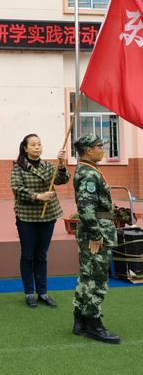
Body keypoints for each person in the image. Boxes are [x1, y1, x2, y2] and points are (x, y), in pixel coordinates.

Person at [11, 133, 70, 308]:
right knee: (28, 255)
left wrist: (61, 164)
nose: (37, 147)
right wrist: (38, 196)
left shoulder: (47, 165)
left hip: (48, 215)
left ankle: (42, 292)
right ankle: (29, 292)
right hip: (27, 216)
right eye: (34, 144)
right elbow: (17, 189)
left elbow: (62, 180)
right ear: (25, 148)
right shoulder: (18, 168)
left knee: (41, 255)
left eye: (39, 144)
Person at [72, 134, 120, 344]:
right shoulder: (89, 175)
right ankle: (93, 323)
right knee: (97, 278)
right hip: (96, 232)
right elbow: (86, 208)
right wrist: (96, 234)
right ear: (89, 150)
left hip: (96, 228)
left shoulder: (88, 170)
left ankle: (80, 320)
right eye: (100, 146)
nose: (103, 149)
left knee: (87, 275)